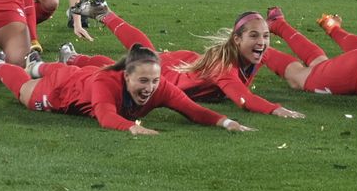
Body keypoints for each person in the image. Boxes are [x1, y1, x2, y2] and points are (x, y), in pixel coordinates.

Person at [61, 8, 306, 118]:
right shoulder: (223, 68)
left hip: (186, 65)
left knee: (141, 56)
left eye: (266, 36)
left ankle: (101, 20)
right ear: (237, 39)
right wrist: (276, 109)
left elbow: (291, 68)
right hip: (172, 75)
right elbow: (244, 100)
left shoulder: (255, 52)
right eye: (254, 36)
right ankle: (72, 57)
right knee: (120, 70)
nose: (262, 42)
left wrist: (308, 76)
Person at [0, 44, 255, 136]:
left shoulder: (160, 88)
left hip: (80, 77)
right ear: (126, 76)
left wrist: (226, 122)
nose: (150, 88)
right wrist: (134, 128)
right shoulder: (106, 83)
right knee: (25, 93)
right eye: (143, 82)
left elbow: (193, 110)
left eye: (154, 81)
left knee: (65, 70)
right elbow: (106, 117)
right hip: (63, 91)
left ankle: (36, 64)